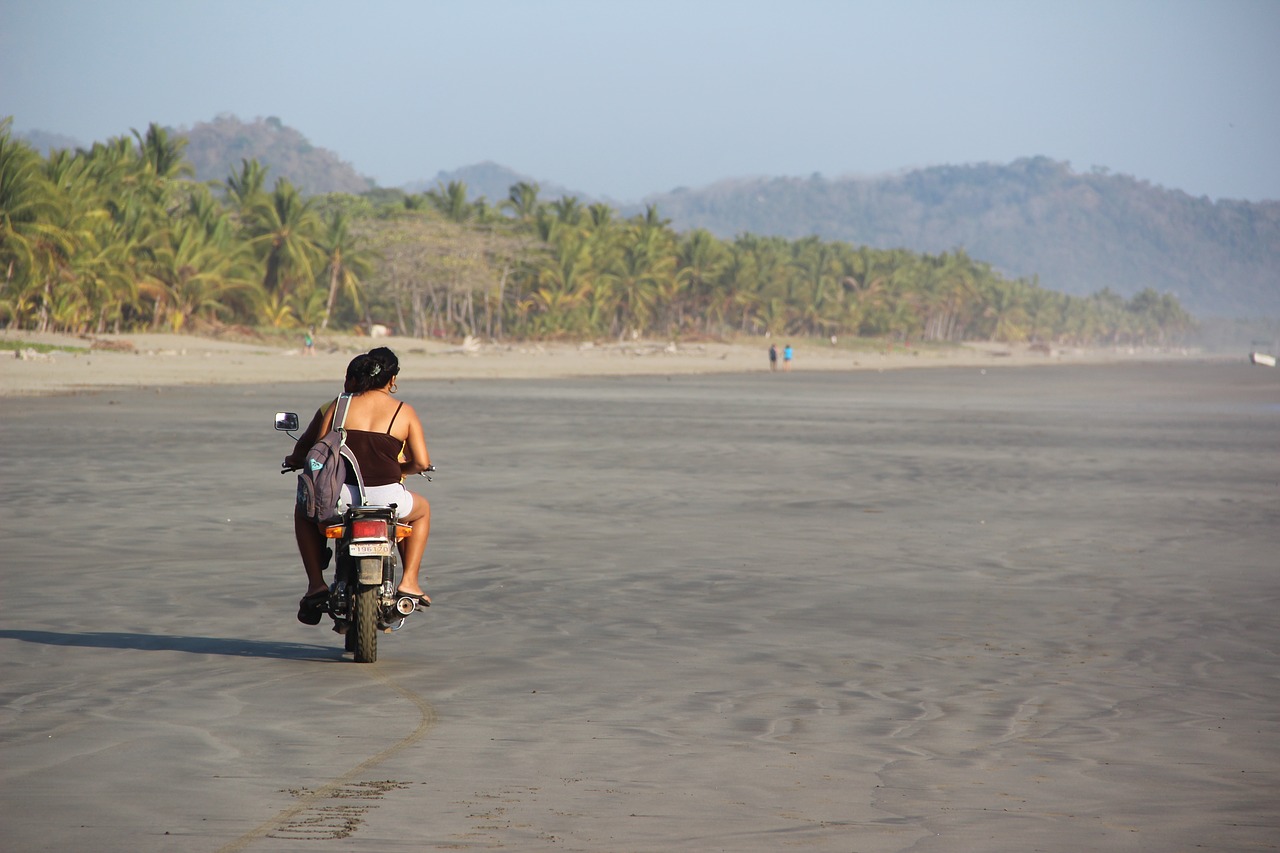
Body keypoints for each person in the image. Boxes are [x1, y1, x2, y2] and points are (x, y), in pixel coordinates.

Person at [283, 347, 433, 624]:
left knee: (303, 511)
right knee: (422, 511)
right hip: (389, 500)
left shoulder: (340, 404)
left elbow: (320, 451)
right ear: (392, 380)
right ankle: (410, 581)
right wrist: (401, 469)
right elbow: (422, 463)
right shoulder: (404, 411)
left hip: (341, 498)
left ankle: (316, 585)